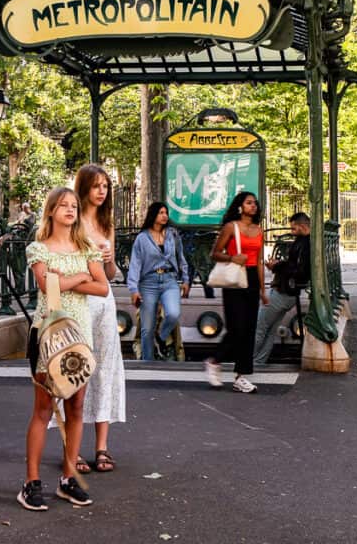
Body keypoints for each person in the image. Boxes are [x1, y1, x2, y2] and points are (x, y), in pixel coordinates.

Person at [18, 187, 108, 512]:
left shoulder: (87, 248)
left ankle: (68, 478)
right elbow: (46, 286)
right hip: (49, 334)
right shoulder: (38, 248)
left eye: (73, 205)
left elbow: (102, 287)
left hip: (79, 335)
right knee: (43, 408)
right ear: (51, 211)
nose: (70, 209)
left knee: (76, 407)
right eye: (63, 205)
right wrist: (78, 276)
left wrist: (66, 278)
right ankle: (31, 481)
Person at [75, 164, 126, 474]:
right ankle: (74, 447)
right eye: (96, 186)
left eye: (105, 186)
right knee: (76, 371)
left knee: (105, 368)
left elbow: (109, 276)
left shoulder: (107, 224)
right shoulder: (73, 220)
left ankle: (102, 446)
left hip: (103, 302)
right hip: (79, 300)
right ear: (84, 188)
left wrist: (108, 262)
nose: (101, 191)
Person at [204, 192, 268, 393]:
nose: (253, 206)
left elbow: (258, 261)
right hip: (234, 278)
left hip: (251, 279)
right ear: (240, 207)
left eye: (254, 203)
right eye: (249, 203)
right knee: (236, 327)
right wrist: (232, 258)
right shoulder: (231, 227)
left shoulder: (259, 230)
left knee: (249, 329)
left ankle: (241, 376)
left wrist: (263, 290)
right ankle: (215, 361)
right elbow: (214, 253)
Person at [127, 202, 190, 361]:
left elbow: (181, 258)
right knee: (147, 328)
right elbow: (135, 264)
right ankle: (147, 363)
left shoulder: (173, 235)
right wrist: (134, 289)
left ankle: (161, 337)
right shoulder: (142, 238)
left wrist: (186, 279)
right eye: (161, 212)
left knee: (173, 314)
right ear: (153, 214)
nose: (165, 216)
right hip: (148, 282)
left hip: (170, 280)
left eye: (166, 213)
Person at [253, 212, 311, 365]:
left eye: (294, 229)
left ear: (303, 226)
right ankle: (258, 361)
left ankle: (246, 361)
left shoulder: (306, 245)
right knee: (270, 329)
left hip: (284, 292)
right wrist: (279, 264)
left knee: (259, 326)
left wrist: (277, 265)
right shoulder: (304, 242)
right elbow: (294, 266)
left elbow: (300, 271)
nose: (291, 232)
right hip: (287, 292)